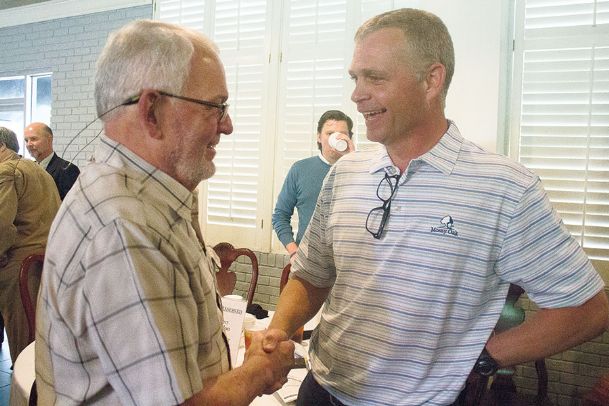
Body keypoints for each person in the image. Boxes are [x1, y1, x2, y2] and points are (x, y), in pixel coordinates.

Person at [267, 8, 609, 406]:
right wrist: (278, 330)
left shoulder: (504, 188)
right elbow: (311, 274)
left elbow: (587, 309)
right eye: (355, 78)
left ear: (432, 80)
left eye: (374, 77)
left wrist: (483, 360)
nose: (356, 95)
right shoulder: (345, 173)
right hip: (320, 391)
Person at [36, 20, 294, 405]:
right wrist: (261, 370)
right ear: (152, 111)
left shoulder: (143, 202)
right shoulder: (127, 227)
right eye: (215, 107)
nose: (228, 125)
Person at [0, 127, 60, 363]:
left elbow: (2, 226)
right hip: (43, 262)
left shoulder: (6, 171)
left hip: (17, 267)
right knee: (38, 338)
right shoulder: (36, 169)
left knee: (21, 342)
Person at [272, 110, 354, 261]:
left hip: (349, 263)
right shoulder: (300, 169)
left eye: (343, 134)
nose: (335, 139)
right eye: (330, 133)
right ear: (319, 137)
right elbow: (280, 216)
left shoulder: (361, 171)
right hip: (307, 260)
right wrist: (293, 252)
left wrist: (353, 160)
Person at [24, 122, 80, 200]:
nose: (28, 144)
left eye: (33, 139)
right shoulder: (28, 169)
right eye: (26, 140)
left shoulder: (67, 169)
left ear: (49, 140)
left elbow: (70, 204)